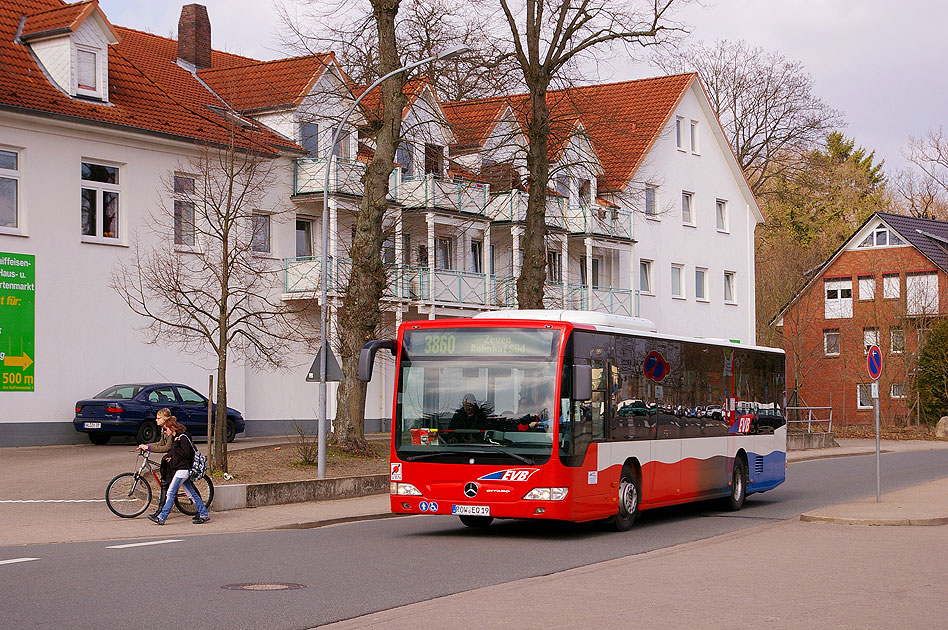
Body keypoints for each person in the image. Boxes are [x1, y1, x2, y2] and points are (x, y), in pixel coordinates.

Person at [147, 416, 210, 525]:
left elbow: (187, 454)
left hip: (183, 470)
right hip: (180, 470)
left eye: (166, 429)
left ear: (172, 428)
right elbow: (177, 452)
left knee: (170, 492)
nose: (164, 432)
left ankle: (162, 517)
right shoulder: (177, 438)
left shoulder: (183, 438)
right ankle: (204, 513)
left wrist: (176, 448)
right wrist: (171, 456)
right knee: (191, 494)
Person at [138, 408, 174, 519]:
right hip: (172, 459)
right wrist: (147, 446)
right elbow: (160, 443)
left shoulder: (171, 429)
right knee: (169, 485)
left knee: (165, 484)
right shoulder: (164, 429)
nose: (156, 420)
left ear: (165, 419)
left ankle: (160, 511)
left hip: (177, 460)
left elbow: (167, 447)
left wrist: (148, 447)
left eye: (158, 418)